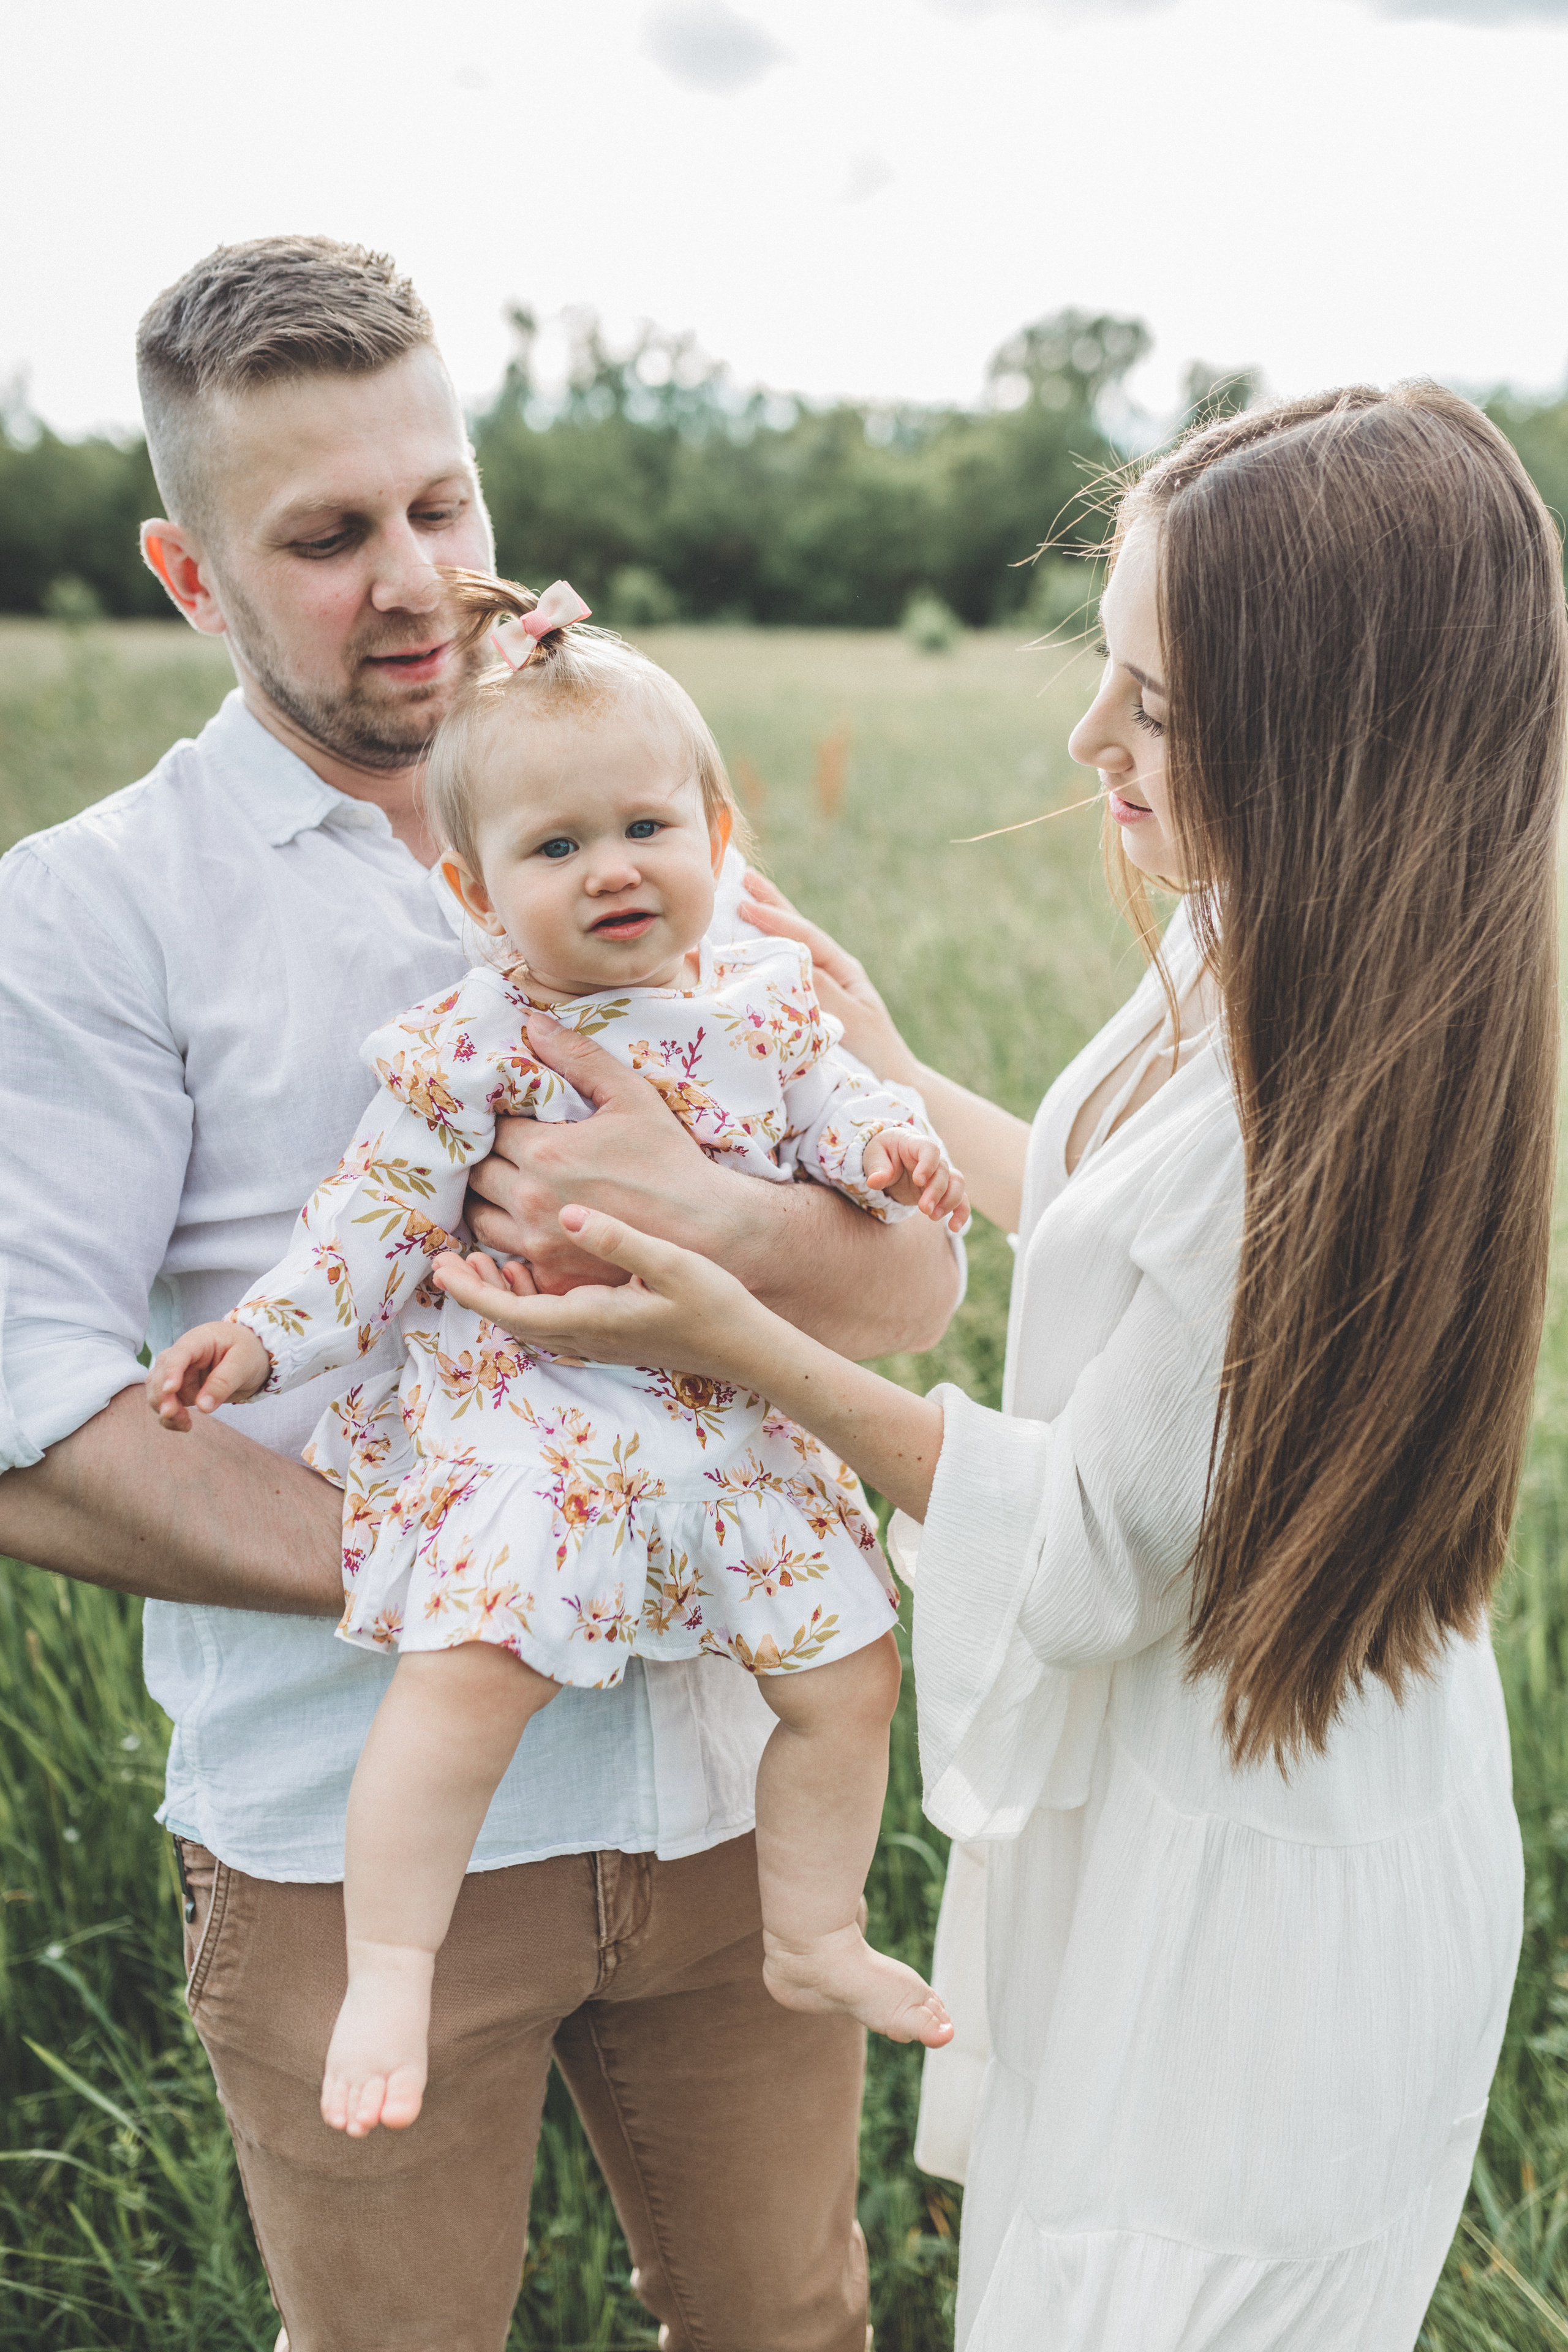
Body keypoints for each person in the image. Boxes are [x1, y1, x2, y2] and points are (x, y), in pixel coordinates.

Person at [434, 383, 1564, 2349]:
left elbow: (1087, 1547)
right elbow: (1136, 1255)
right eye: (1104, 667)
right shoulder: (1276, 939)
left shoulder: (1319, 1064)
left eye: (1160, 705)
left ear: (1328, 740)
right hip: (1230, 1785)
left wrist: (735, 1331)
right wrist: (878, 1058)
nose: (1087, 737)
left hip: (1258, 1889)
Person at [0, 238, 962, 2352]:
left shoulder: (651, 831)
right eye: (327, 536)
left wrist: (721, 1225)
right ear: (188, 575)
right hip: (354, 1836)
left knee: (793, 2325)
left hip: (731, 1796)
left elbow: (911, 1281)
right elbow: (26, 1421)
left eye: (442, 503)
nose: (417, 578)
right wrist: (500, 1566)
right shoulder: (90, 915)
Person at [148, 570, 962, 2138]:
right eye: (555, 848)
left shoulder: (770, 1008)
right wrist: (258, 1340)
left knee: (849, 1678)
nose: (612, 870)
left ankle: (812, 1932)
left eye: (646, 828)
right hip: (545, 1425)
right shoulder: (475, 1041)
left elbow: (847, 1118)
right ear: (473, 890)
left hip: (732, 1422)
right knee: (466, 1681)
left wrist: (892, 1153)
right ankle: (392, 1963)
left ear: (715, 839)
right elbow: (371, 1218)